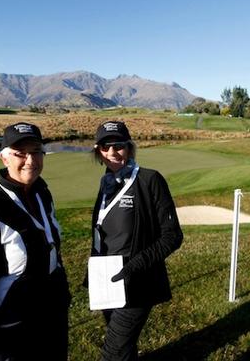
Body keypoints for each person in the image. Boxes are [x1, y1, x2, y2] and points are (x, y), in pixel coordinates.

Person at [0, 122, 71, 361]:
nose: (30, 160)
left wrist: (61, 291)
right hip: (12, 324)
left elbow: (51, 246)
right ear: (4, 159)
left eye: (35, 151)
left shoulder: (42, 193)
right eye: (20, 153)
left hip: (51, 314)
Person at [89, 121, 183, 360]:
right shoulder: (107, 183)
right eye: (105, 147)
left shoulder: (149, 180)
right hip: (107, 279)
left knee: (112, 352)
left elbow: (172, 236)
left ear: (129, 148)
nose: (112, 153)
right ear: (98, 152)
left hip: (137, 281)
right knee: (124, 345)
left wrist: (135, 265)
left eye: (118, 145)